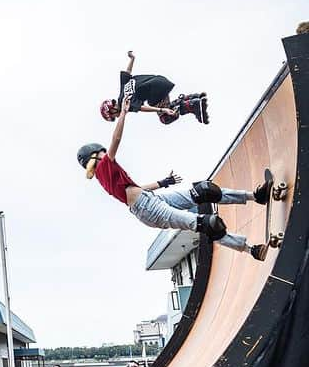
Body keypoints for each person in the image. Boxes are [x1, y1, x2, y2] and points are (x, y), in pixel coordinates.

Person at [78, 98, 269, 259]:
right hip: (149, 210)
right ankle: (252, 249)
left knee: (205, 191)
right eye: (102, 152)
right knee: (207, 224)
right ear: (96, 155)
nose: (105, 153)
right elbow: (116, 140)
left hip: (152, 200)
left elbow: (134, 189)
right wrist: (123, 114)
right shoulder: (103, 167)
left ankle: (256, 196)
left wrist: (162, 183)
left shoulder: (106, 176)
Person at [99, 51, 207, 125]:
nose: (118, 117)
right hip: (159, 81)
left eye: (114, 116)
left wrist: (161, 109)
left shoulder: (125, 104)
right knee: (167, 108)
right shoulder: (123, 88)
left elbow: (142, 108)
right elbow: (128, 72)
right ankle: (191, 98)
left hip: (155, 89)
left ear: (113, 109)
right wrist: (132, 58)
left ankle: (192, 105)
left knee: (165, 117)